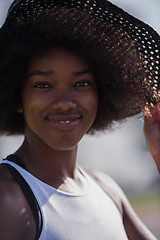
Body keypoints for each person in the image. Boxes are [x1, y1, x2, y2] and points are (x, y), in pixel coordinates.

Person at [0, 0, 159, 239]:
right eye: (42, 85)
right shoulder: (7, 199)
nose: (64, 102)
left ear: (101, 93)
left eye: (82, 83)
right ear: (17, 98)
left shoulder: (107, 190)